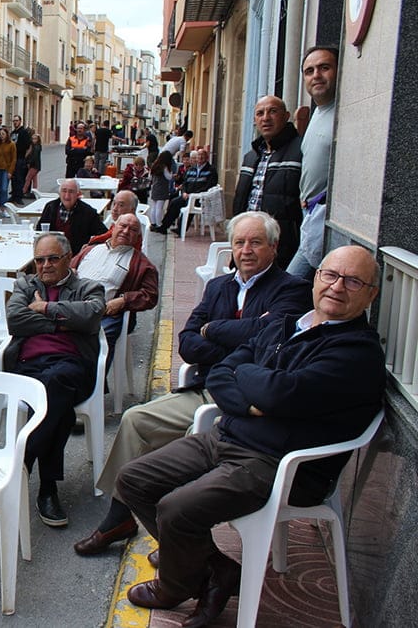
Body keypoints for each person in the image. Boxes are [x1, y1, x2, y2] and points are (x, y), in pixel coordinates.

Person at [116, 246, 384, 628]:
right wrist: (255, 395)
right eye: (330, 275)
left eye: (353, 281)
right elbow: (223, 371)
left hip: (280, 464)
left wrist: (254, 381)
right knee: (134, 480)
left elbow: (279, 392)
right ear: (316, 277)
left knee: (176, 509)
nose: (338, 287)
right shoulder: (286, 323)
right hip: (229, 437)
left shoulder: (356, 353)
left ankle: (175, 585)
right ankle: (216, 571)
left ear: (371, 294)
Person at [72, 212, 312, 558]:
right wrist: (237, 334)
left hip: (249, 402)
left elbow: (268, 341)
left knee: (186, 451)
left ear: (274, 248)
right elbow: (188, 343)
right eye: (240, 242)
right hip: (206, 388)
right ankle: (120, 516)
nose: (246, 250)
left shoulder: (292, 290)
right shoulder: (219, 287)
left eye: (256, 242)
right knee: (135, 420)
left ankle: (179, 539)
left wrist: (213, 329)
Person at [2, 232, 103, 527]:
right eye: (39, 259)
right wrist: (64, 323)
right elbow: (15, 320)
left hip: (72, 366)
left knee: (55, 384)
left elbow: (91, 316)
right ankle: (47, 489)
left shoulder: (88, 286)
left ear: (69, 258)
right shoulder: (25, 284)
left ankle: (23, 458)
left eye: (52, 258)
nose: (44, 265)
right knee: (57, 408)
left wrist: (45, 308)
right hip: (28, 366)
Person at [71, 214, 158, 372]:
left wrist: (124, 300)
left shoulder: (142, 264)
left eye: (132, 230)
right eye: (122, 226)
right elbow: (68, 270)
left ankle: (91, 387)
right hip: (69, 306)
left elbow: (151, 295)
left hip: (104, 313)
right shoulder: (90, 249)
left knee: (94, 343)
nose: (126, 231)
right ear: (113, 227)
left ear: (138, 236)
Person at [287, 45, 339, 280]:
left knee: (289, 289)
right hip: (310, 215)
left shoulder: (342, 113)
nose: (316, 75)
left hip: (324, 217)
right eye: (309, 71)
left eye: (324, 68)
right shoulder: (318, 112)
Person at [233, 96, 303, 268]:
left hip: (282, 249)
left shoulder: (300, 151)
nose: (266, 118)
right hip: (248, 246)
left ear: (286, 116)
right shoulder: (251, 156)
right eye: (260, 113)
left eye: (273, 111)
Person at [36, 179, 107, 253]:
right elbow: (39, 230)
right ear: (59, 193)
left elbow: (103, 234)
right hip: (51, 253)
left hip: (76, 256)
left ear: (78, 194)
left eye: (71, 192)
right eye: (64, 191)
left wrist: (90, 246)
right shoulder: (51, 207)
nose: (67, 196)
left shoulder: (88, 212)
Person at [157, 149, 219, 234]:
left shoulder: (211, 170)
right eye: (198, 156)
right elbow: (185, 183)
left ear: (207, 158)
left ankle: (181, 229)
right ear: (196, 158)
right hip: (187, 195)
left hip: (201, 198)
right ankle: (164, 227)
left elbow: (209, 186)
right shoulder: (191, 169)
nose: (200, 157)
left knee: (189, 205)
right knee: (174, 203)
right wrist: (184, 192)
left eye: (202, 156)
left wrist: (193, 194)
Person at [0, 127, 16, 216]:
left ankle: (5, 208)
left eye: (3, 134)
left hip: (6, 169)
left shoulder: (11, 144)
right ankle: (1, 208)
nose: (1, 136)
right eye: (0, 134)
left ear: (7, 135)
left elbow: (14, 159)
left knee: (4, 189)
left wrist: (10, 171)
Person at [148, 151, 175, 230]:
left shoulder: (154, 166)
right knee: (159, 207)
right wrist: (172, 174)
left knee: (154, 206)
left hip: (155, 188)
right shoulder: (165, 167)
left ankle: (153, 223)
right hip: (162, 188)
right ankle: (159, 224)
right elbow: (168, 177)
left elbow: (150, 177)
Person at [10, 115, 33, 204]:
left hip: (20, 158)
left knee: (20, 178)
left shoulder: (24, 132)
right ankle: (13, 196)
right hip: (12, 159)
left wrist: (24, 157)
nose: (15, 122)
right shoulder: (12, 133)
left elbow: (29, 146)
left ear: (20, 121)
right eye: (14, 121)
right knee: (13, 178)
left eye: (17, 120)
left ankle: (19, 197)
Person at [23, 133, 42, 197]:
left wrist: (29, 163)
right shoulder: (36, 146)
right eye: (32, 139)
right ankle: (35, 191)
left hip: (34, 165)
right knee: (34, 179)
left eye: (35, 139)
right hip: (36, 165)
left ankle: (24, 191)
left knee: (28, 178)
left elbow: (34, 157)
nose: (33, 140)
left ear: (38, 139)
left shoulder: (36, 147)